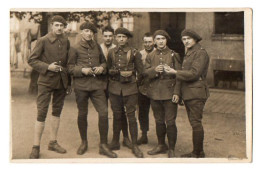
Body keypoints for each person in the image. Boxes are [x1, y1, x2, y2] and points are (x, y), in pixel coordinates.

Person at [67, 21, 117, 158]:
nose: (89, 34)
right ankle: (84, 142)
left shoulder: (97, 47)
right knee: (82, 113)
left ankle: (103, 145)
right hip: (81, 86)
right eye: (86, 31)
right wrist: (82, 70)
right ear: (81, 32)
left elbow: (104, 62)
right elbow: (70, 68)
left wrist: (102, 68)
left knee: (104, 112)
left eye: (91, 32)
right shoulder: (75, 48)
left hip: (97, 85)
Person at [28, 15, 71, 159]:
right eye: (57, 25)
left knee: (57, 111)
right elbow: (32, 60)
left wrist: (68, 83)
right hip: (46, 81)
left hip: (61, 82)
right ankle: (35, 146)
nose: (59, 28)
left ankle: (53, 142)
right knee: (42, 112)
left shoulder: (66, 41)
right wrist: (48, 67)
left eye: (61, 26)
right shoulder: (43, 40)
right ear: (52, 25)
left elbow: (67, 63)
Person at [164, 29, 210, 158]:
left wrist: (175, 72)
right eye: (183, 39)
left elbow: (194, 73)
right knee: (194, 122)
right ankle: (198, 151)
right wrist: (178, 92)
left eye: (188, 39)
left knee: (195, 122)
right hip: (190, 92)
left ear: (195, 39)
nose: (186, 41)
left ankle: (198, 152)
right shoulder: (190, 52)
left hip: (196, 93)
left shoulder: (200, 53)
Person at [107, 27, 144, 158]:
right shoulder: (111, 52)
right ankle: (115, 141)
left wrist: (135, 84)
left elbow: (141, 72)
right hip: (115, 88)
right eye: (119, 37)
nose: (121, 39)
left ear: (127, 38)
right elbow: (108, 69)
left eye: (124, 37)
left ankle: (134, 144)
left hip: (130, 88)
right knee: (117, 115)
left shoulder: (134, 53)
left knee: (131, 116)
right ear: (116, 38)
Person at [145, 30, 181, 158]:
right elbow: (145, 73)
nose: (160, 41)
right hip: (155, 93)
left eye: (163, 39)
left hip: (170, 93)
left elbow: (179, 76)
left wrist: (177, 92)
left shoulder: (173, 55)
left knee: (170, 121)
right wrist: (154, 70)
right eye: (158, 39)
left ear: (167, 40)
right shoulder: (151, 56)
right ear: (154, 41)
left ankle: (171, 148)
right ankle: (161, 145)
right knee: (159, 120)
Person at [100, 26, 132, 149]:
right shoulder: (98, 48)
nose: (108, 38)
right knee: (104, 112)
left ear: (113, 37)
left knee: (120, 112)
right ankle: (105, 141)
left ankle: (125, 137)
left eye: (110, 36)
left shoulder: (117, 48)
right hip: (102, 84)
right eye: (105, 36)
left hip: (116, 84)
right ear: (102, 36)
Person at [137, 32, 154, 145]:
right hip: (143, 87)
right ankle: (144, 135)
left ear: (154, 42)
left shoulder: (158, 53)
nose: (147, 44)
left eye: (150, 42)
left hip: (156, 87)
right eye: (146, 42)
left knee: (159, 113)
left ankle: (161, 139)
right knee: (142, 112)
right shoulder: (139, 54)